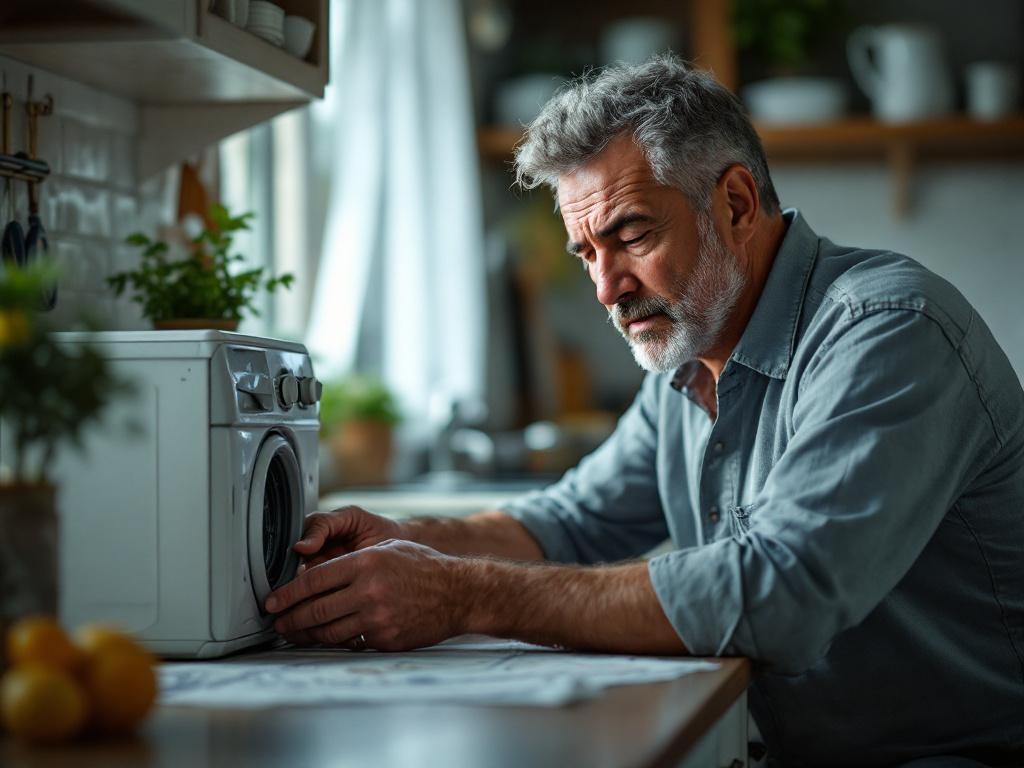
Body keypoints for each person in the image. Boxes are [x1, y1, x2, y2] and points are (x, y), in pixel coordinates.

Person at [266, 54, 1024, 765]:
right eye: (586, 252)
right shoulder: (690, 357)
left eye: (630, 235)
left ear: (735, 204)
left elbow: (783, 592)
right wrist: (405, 540)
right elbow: (566, 523)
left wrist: (462, 592)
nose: (607, 288)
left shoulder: (890, 329)